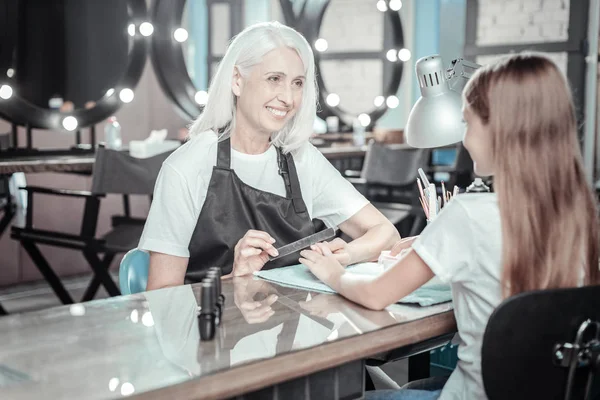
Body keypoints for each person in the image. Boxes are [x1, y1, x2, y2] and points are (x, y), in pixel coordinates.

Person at [299, 53, 600, 399]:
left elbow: (375, 294)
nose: (465, 140)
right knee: (414, 387)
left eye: (469, 124)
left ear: (500, 130)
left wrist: (333, 272)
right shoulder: (579, 210)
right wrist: (428, 247)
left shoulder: (469, 214)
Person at [138, 21, 399, 289]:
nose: (288, 97)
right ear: (237, 80)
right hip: (215, 327)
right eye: (274, 79)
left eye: (297, 83)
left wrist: (343, 255)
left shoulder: (301, 159)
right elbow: (162, 297)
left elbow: (386, 234)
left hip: (297, 322)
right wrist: (234, 280)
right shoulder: (186, 167)